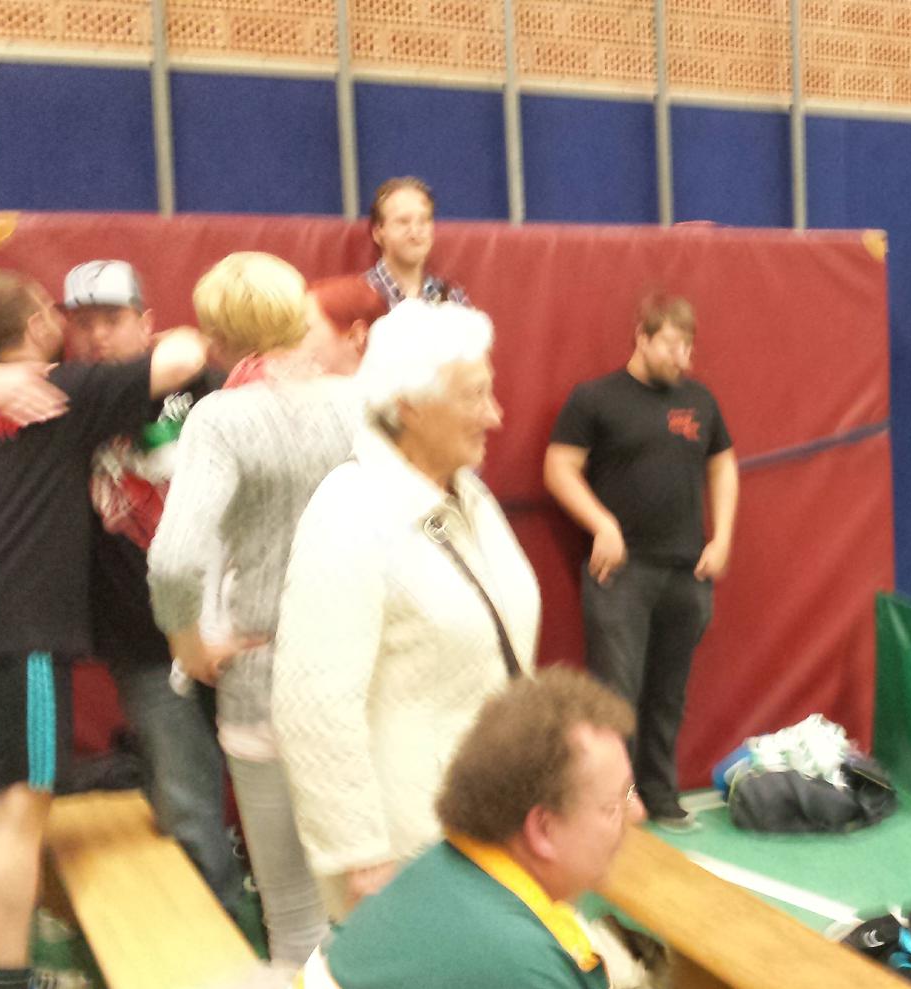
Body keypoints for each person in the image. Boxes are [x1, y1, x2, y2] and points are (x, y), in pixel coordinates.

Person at [273, 300, 540, 918]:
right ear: (410, 405)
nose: (494, 415)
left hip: (493, 820)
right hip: (409, 847)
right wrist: (360, 856)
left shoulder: (468, 494)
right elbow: (313, 704)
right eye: (475, 396)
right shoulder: (349, 512)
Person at [0, 270, 207, 989]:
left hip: (9, 632)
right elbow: (185, 355)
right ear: (34, 328)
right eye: (54, 311)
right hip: (20, 635)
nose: (70, 323)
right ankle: (8, 976)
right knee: (18, 814)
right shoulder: (61, 392)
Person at [148, 252, 358, 968]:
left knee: (293, 918)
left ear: (219, 333)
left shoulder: (221, 418)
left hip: (260, 673)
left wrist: (185, 642)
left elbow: (174, 558)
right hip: (353, 670)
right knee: (366, 896)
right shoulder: (360, 402)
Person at [61, 260, 243, 911]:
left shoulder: (207, 387)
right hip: (142, 636)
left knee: (273, 778)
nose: (96, 336)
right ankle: (211, 924)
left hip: (233, 624)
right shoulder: (67, 399)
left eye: (111, 320)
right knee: (184, 795)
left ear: (145, 322)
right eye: (83, 323)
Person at [295, 667, 640, 989]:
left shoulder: (442, 868)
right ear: (543, 829)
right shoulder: (520, 963)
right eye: (612, 806)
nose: (635, 813)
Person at [544, 294, 738, 831]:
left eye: (689, 347)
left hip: (686, 572)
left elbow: (723, 465)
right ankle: (613, 800)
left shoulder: (699, 400)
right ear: (642, 337)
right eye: (672, 345)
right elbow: (559, 467)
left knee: (669, 692)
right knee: (615, 695)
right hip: (622, 575)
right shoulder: (595, 398)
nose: (683, 358)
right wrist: (601, 524)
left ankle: (660, 792)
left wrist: (722, 538)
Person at [364, 177, 467, 308]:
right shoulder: (357, 298)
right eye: (403, 221)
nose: (415, 232)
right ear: (377, 233)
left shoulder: (452, 299)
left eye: (423, 221)